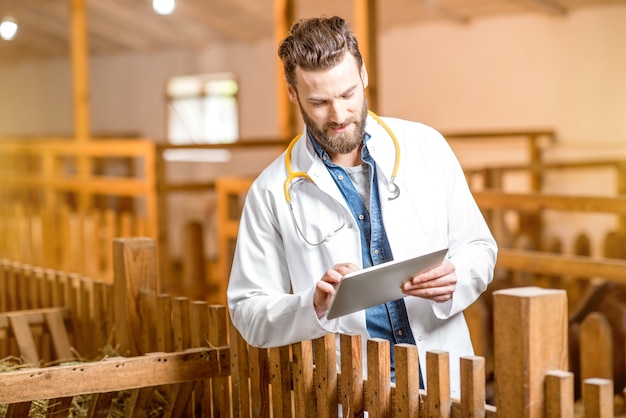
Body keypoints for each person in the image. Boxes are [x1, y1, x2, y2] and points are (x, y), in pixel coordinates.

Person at [227, 15, 497, 397]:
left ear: (364, 75)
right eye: (319, 102)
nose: (338, 115)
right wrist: (313, 305)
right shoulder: (270, 192)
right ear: (292, 94)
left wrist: (457, 275)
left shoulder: (427, 148)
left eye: (347, 94)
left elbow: (480, 249)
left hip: (442, 378)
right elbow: (247, 313)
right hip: (354, 391)